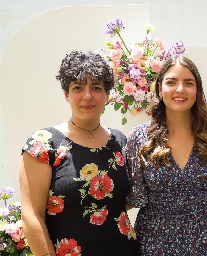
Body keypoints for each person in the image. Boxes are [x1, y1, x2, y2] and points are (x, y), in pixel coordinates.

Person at [19, 51, 139, 255]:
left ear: (107, 94)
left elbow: (123, 203)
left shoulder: (119, 141)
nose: (87, 96)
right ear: (66, 94)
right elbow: (32, 215)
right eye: (77, 88)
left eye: (96, 88)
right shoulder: (44, 144)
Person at [126, 55, 207, 255]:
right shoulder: (140, 137)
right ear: (159, 89)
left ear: (197, 90)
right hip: (155, 239)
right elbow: (135, 197)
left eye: (188, 83)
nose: (180, 89)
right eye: (171, 82)